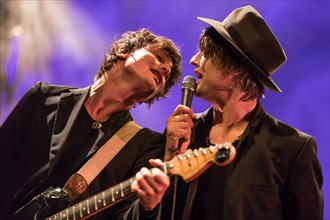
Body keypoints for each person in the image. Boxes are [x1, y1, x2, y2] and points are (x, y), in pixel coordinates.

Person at [161, 5, 324, 220]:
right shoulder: (184, 131)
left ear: (235, 69)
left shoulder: (291, 148)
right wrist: (169, 157)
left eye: (206, 53)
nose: (193, 60)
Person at [0, 28, 181, 219]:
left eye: (167, 75)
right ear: (123, 50)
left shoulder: (144, 145)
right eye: (159, 57)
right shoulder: (44, 98)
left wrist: (149, 206)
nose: (165, 69)